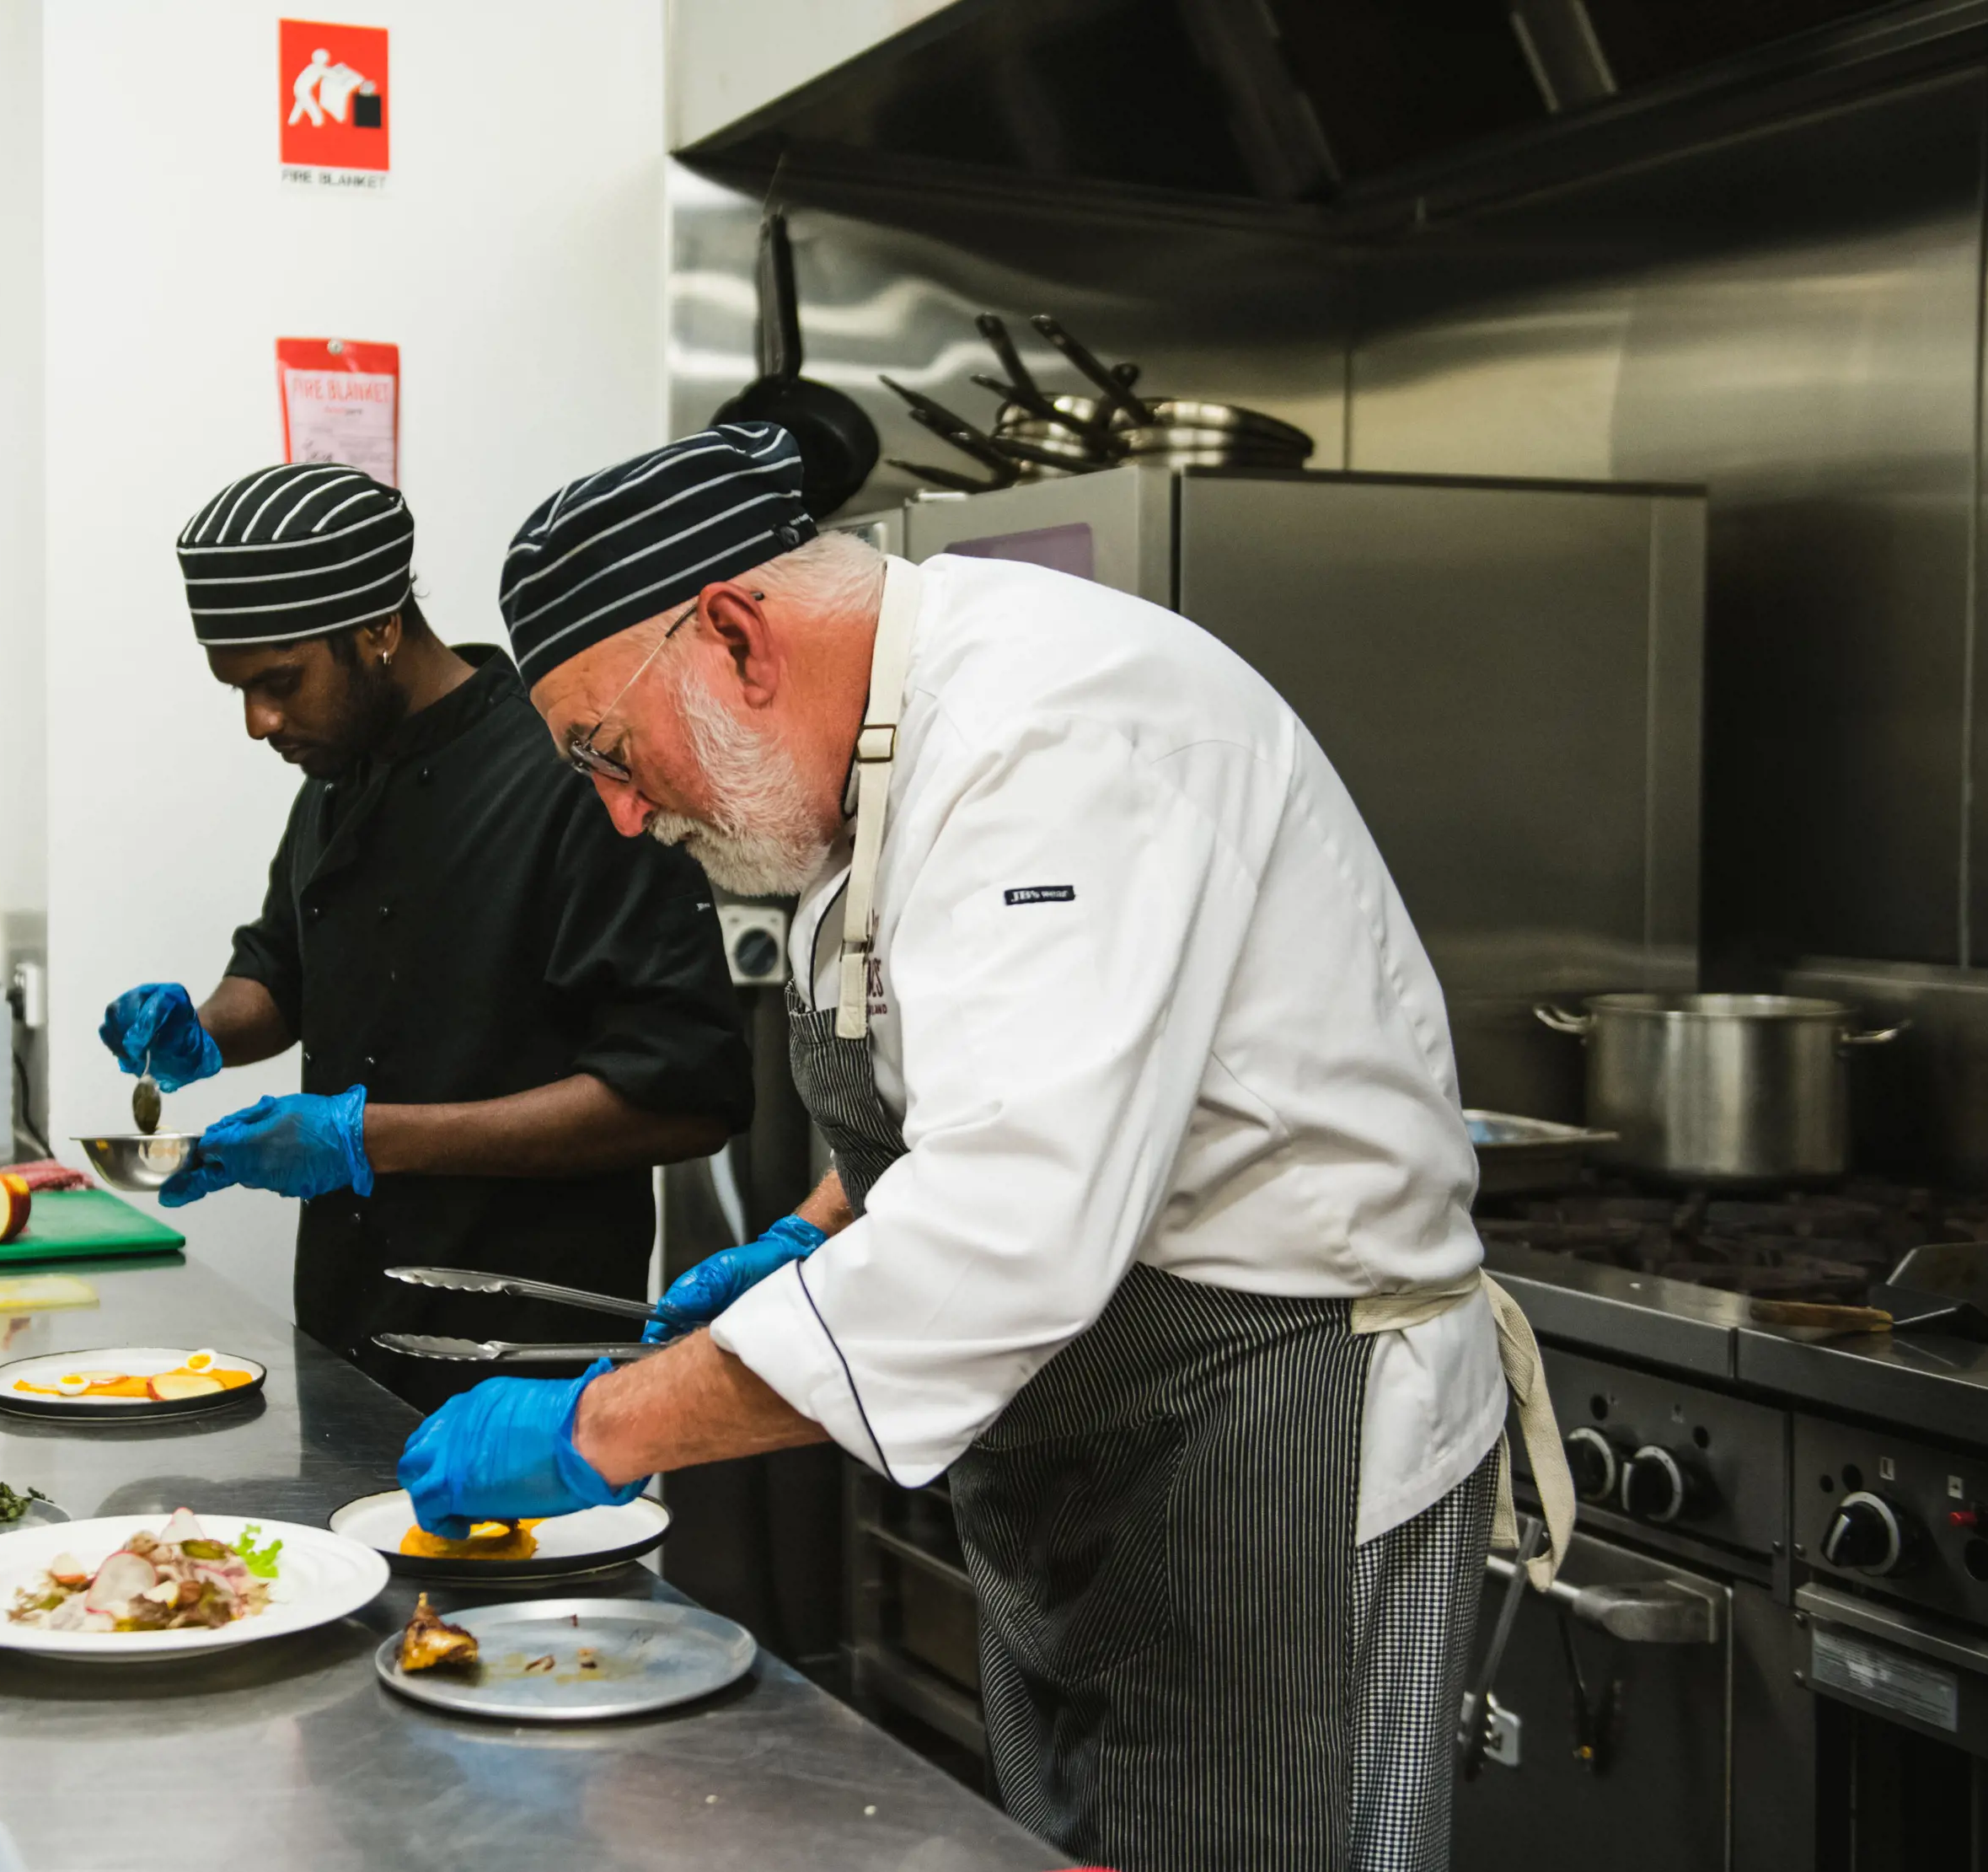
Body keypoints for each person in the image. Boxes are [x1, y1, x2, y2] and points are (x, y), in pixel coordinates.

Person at [397, 424, 1571, 1870]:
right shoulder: (866, 760)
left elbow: (1008, 1222)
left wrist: (600, 1430)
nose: (624, 815)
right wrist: (814, 1235)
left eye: (609, 754)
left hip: (1273, 1430)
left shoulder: (1052, 728)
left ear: (735, 636)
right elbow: (973, 1091)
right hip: (1098, 1445)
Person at [104, 461, 753, 1408]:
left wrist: (364, 1136)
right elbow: (279, 970)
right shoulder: (335, 778)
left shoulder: (575, 777)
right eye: (236, 688)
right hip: (343, 1320)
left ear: (377, 627)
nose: (257, 722)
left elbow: (685, 1097)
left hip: (526, 1351)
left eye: (279, 681)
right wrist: (205, 1030)